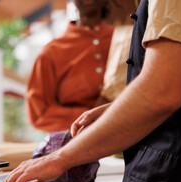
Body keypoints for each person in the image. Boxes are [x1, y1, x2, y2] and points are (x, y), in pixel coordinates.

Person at [1, 0, 181, 182]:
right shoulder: (51, 52)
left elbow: (161, 91)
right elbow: (175, 83)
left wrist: (61, 158)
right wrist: (115, 110)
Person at [25, 0, 114, 132]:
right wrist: (89, 116)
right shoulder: (51, 53)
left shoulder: (125, 39)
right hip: (78, 141)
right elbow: (38, 113)